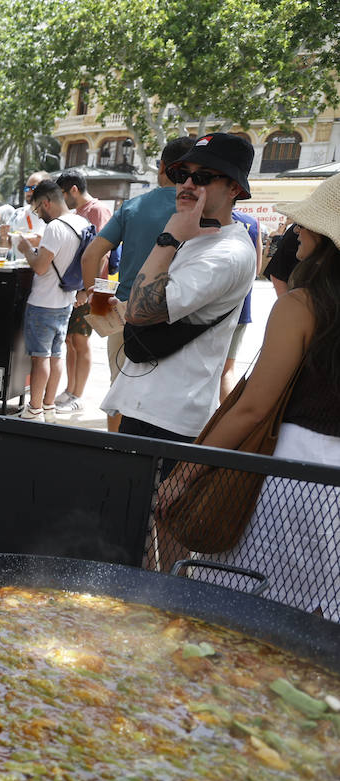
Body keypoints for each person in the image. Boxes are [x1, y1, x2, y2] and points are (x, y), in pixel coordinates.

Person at [170, 172, 340, 620]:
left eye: (306, 224)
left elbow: (252, 407)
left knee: (237, 617)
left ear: (325, 239)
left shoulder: (304, 306)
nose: (296, 230)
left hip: (291, 481)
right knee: (313, 635)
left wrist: (183, 476)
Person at [101, 132, 258, 443]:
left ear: (234, 189)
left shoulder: (227, 253)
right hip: (148, 403)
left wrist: (168, 238)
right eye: (180, 174)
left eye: (202, 176)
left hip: (170, 417)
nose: (187, 184)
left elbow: (141, 312)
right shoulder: (200, 235)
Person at [77, 136, 197, 432]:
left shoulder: (133, 206)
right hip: (177, 316)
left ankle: (115, 453)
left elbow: (91, 255)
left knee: (118, 390)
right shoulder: (198, 211)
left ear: (162, 167)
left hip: (125, 314)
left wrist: (99, 301)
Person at [13, 180, 91, 421]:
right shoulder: (82, 222)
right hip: (65, 300)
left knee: (40, 357)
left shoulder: (55, 227)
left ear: (46, 203)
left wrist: (26, 248)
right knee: (56, 355)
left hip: (43, 302)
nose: (39, 214)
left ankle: (34, 408)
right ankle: (48, 406)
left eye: (38, 209)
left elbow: (40, 267)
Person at [53, 171, 114, 414]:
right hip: (80, 289)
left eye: (63, 194)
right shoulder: (78, 213)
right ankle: (70, 389)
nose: (62, 199)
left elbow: (101, 253)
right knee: (70, 341)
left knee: (81, 340)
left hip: (92, 289)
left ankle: (78, 395)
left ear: (74, 190)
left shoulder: (97, 211)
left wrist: (85, 289)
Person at [219, 208, 263, 401]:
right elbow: (257, 268)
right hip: (241, 305)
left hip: (210, 306)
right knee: (227, 371)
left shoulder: (211, 218)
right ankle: (226, 422)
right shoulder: (253, 223)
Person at [11, 170, 51, 241]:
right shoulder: (17, 214)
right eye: (26, 188)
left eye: (33, 188)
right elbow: (6, 245)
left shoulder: (55, 217)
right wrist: (3, 237)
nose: (29, 192)